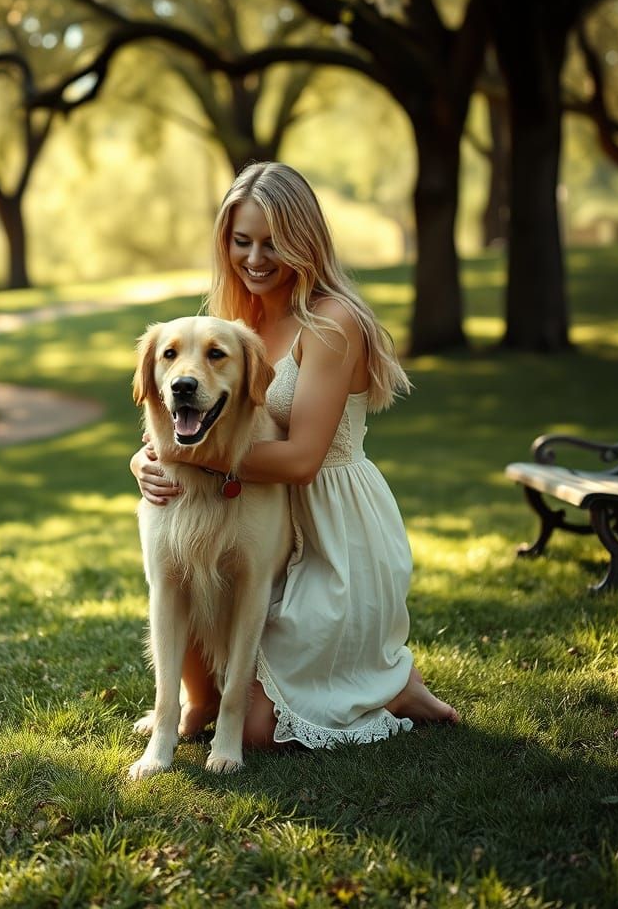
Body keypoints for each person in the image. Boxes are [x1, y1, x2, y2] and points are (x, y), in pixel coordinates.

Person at [130, 162, 458, 749]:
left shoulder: (332, 324)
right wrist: (148, 459)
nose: (255, 258)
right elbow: (189, 417)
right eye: (241, 241)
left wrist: (187, 459)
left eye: (272, 243)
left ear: (305, 240)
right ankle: (200, 701)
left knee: (257, 731)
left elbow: (303, 458)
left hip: (329, 528)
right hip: (256, 513)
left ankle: (391, 680)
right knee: (194, 614)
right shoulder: (239, 318)